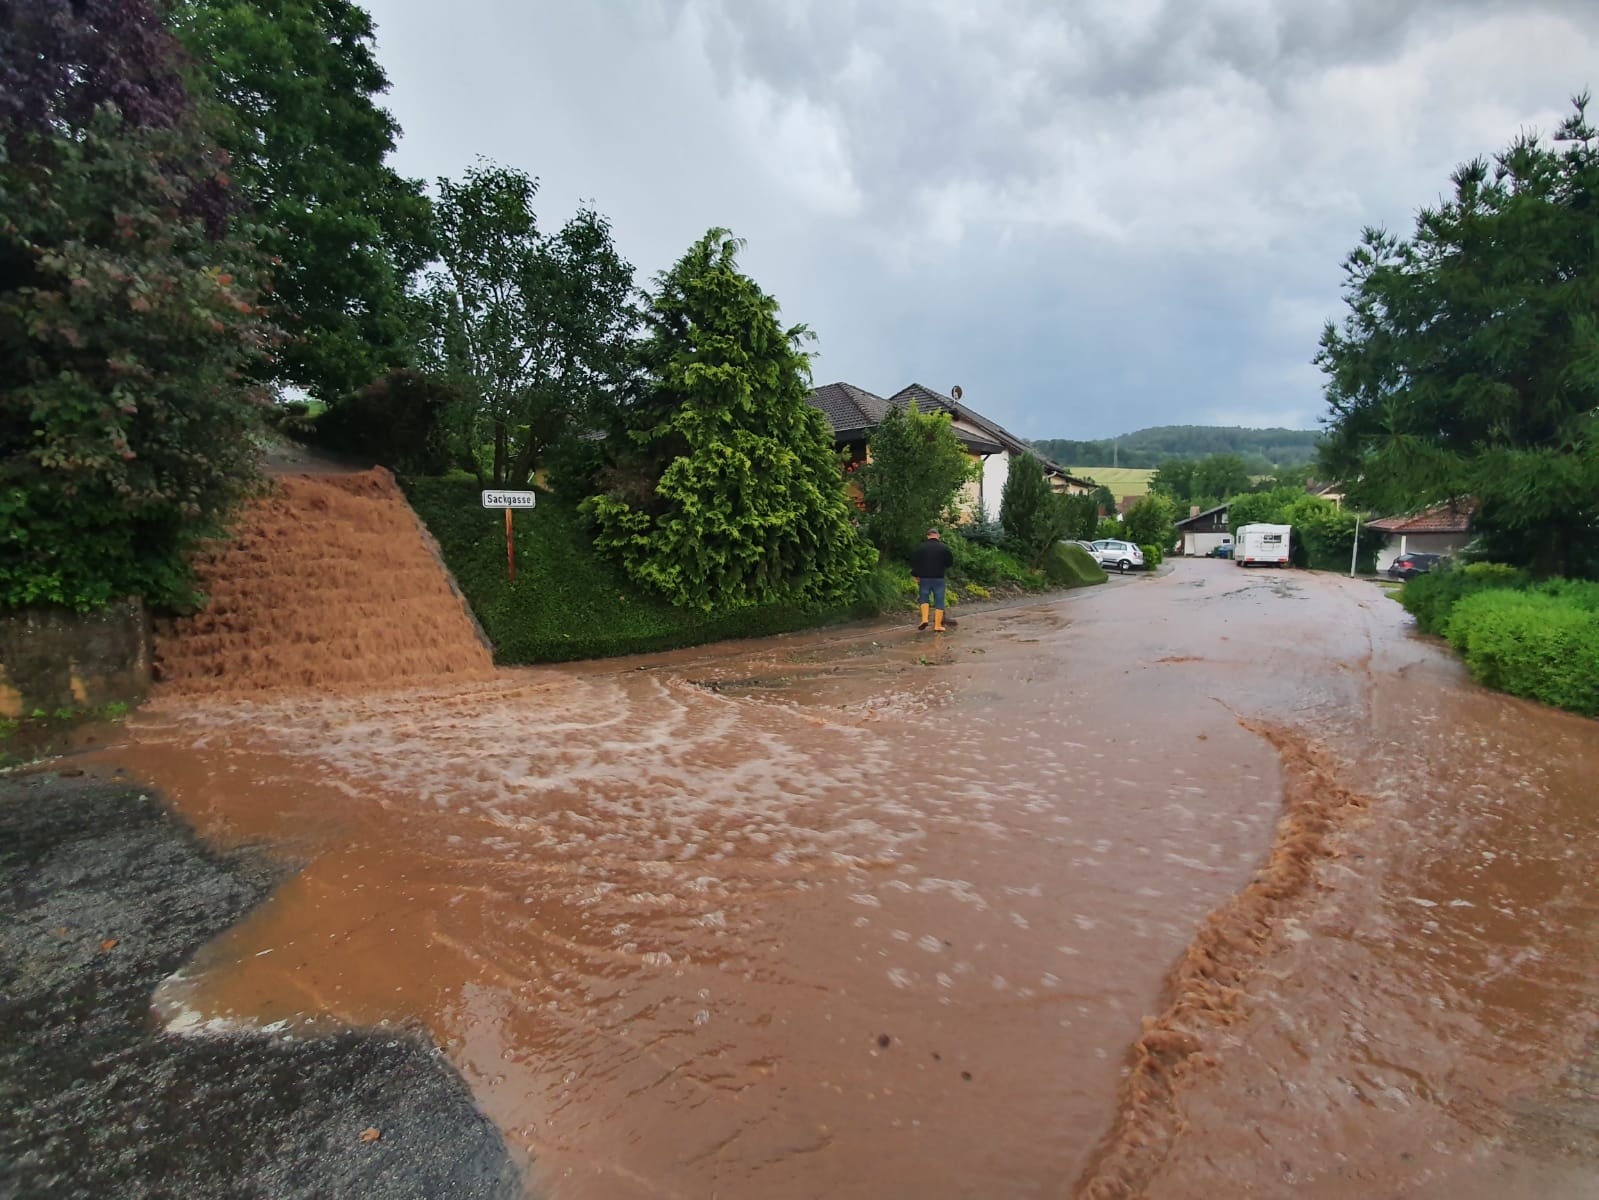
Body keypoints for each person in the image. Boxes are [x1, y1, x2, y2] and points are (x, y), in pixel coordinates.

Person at [910, 527, 955, 631]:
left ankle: (924, 620)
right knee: (939, 600)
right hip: (938, 578)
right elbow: (949, 563)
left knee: (924, 598)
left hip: (924, 578)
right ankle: (937, 625)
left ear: (928, 536)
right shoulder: (944, 548)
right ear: (938, 536)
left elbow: (916, 563)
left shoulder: (921, 548)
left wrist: (916, 575)